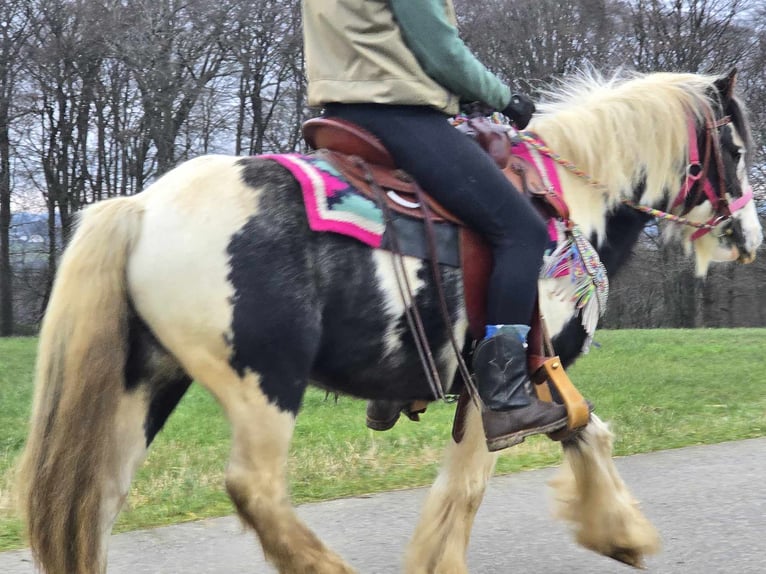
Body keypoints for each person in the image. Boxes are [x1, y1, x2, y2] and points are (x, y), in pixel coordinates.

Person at [302, 0, 568, 451]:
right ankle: (505, 398)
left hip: (339, 116)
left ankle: (399, 378)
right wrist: (506, 99)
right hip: (400, 117)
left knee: (432, 231)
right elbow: (442, 53)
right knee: (521, 232)